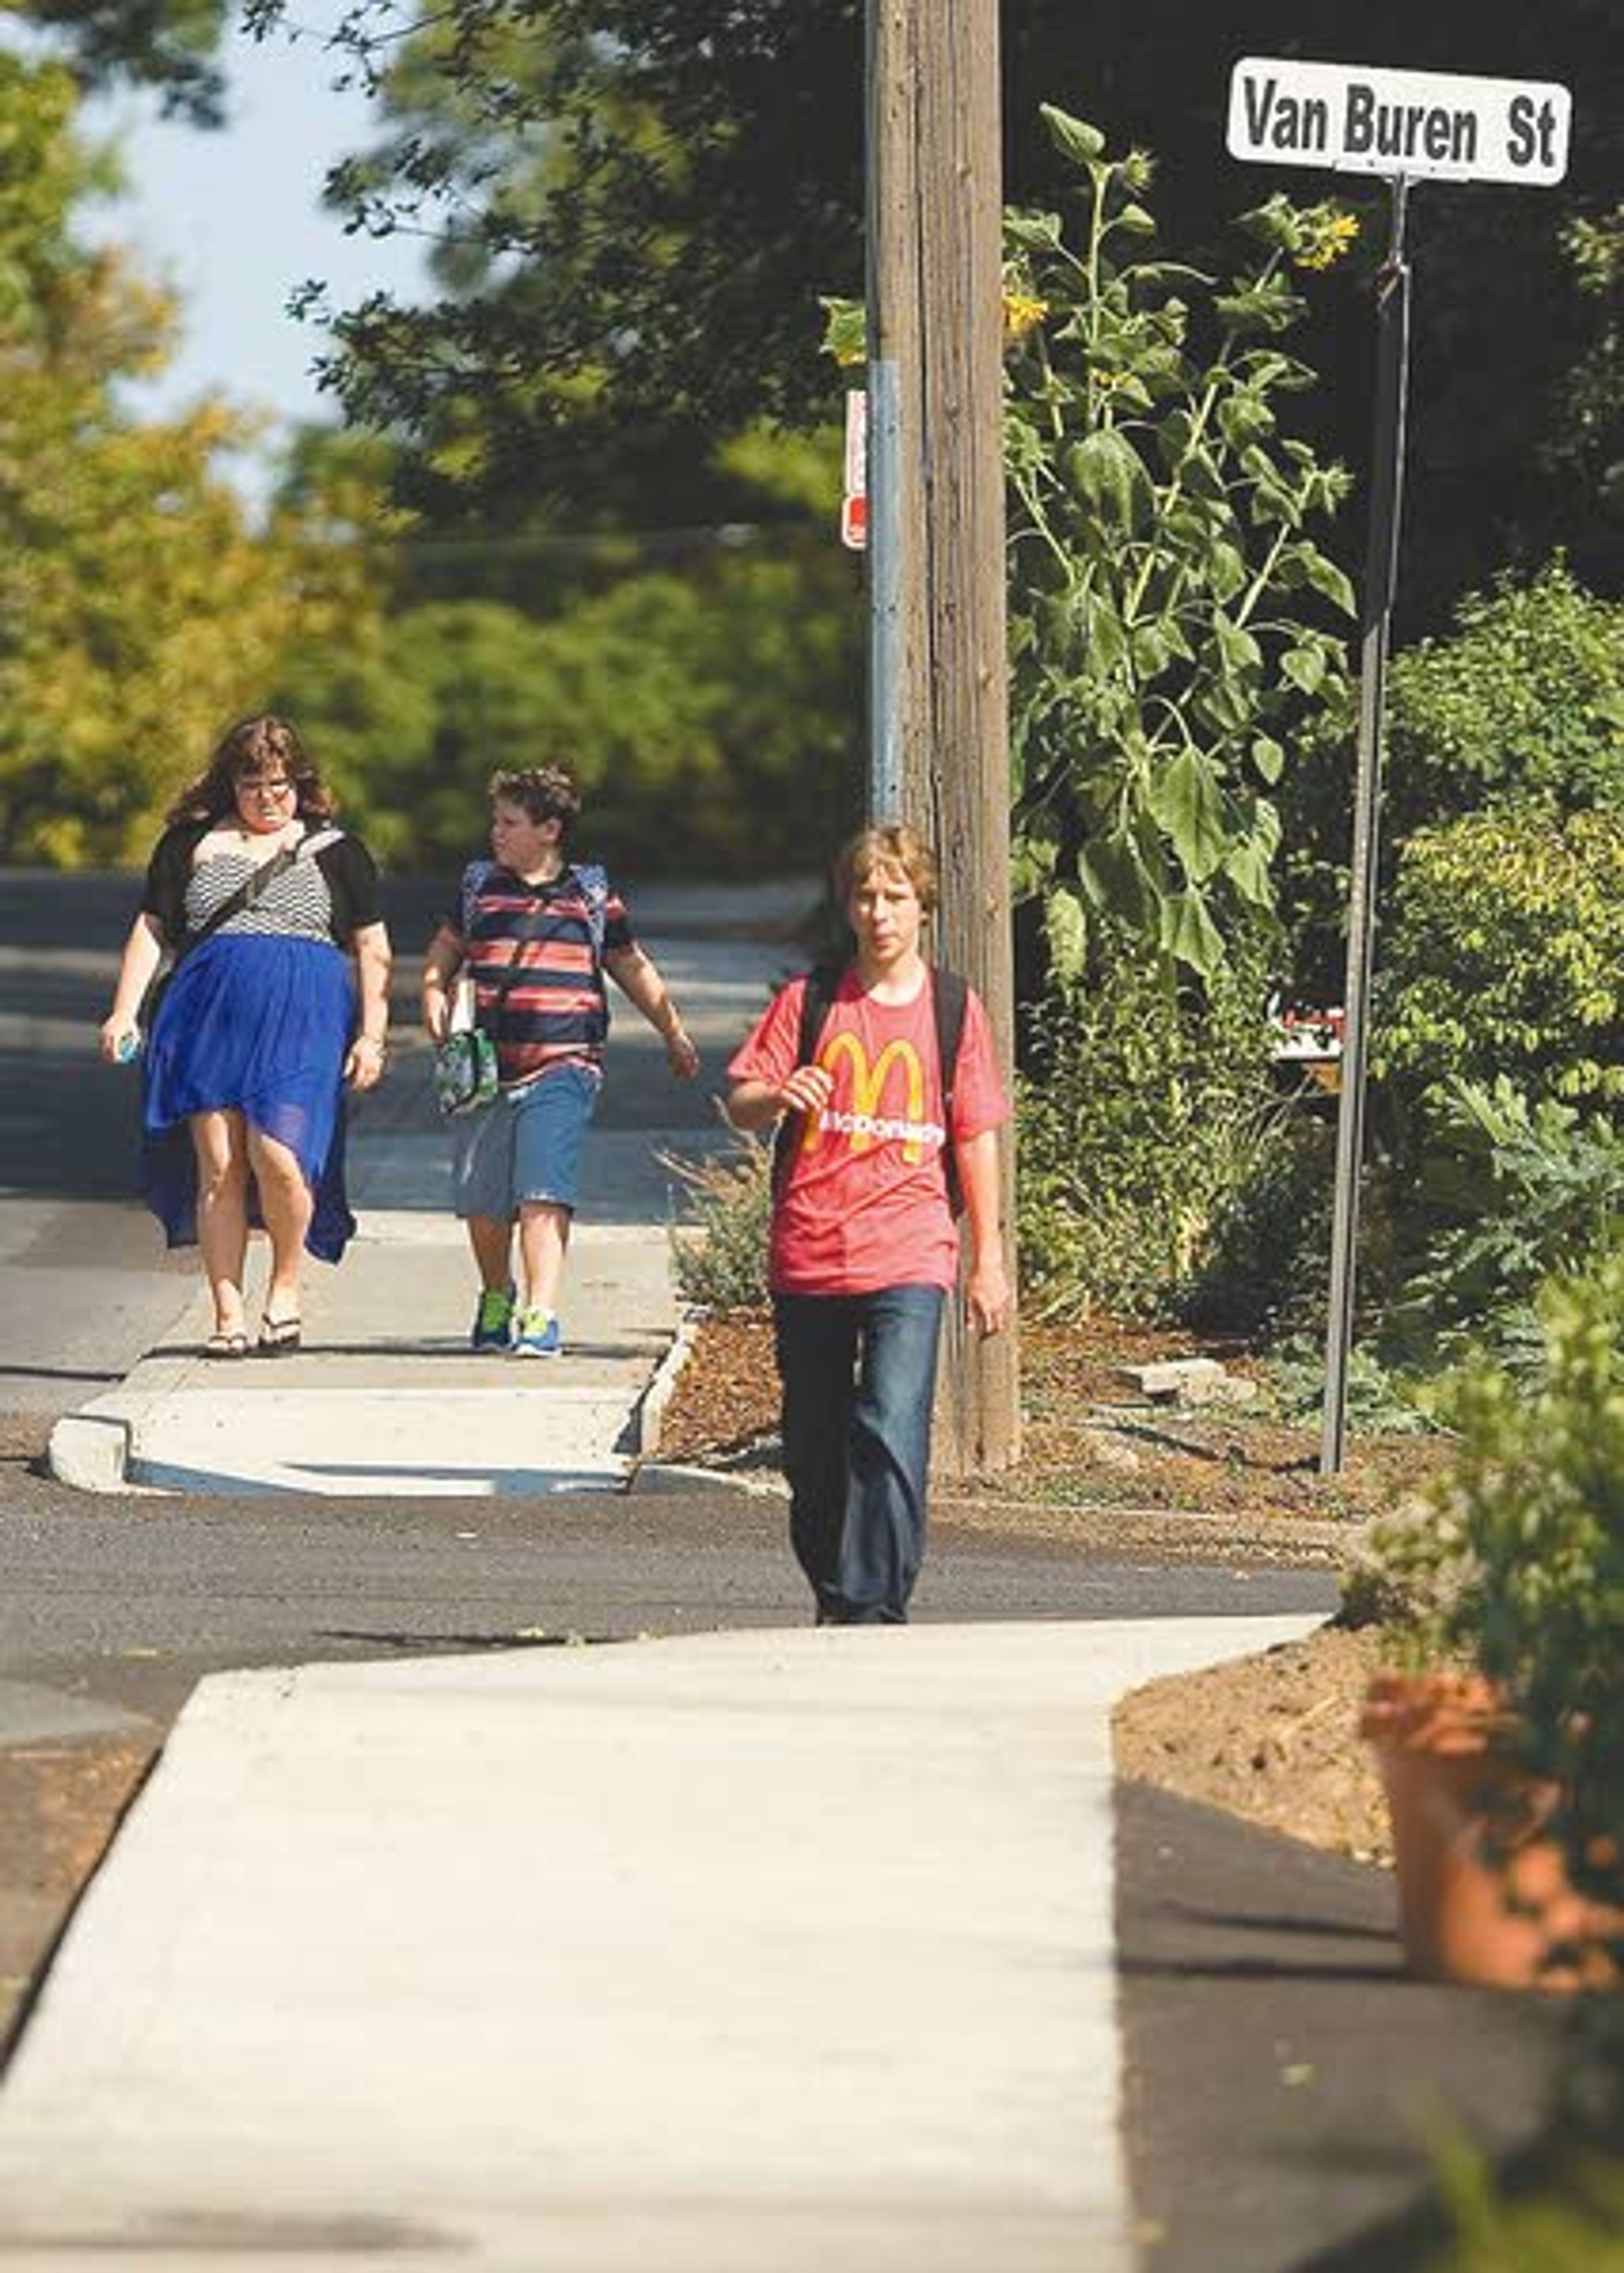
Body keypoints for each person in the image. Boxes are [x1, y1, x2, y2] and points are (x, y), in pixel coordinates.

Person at [726, 822, 1013, 1625]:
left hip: (911, 1252)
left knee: (890, 1424)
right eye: (865, 895)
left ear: (922, 905)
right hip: (811, 1252)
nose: (879, 912)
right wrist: (781, 1094)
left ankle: (872, 1606)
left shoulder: (955, 1009)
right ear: (848, 905)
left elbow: (976, 1133)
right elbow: (741, 1099)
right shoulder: (809, 1001)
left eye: (895, 896)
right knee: (815, 1452)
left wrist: (987, 1258)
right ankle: (836, 1592)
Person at [100, 715, 392, 1359]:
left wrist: (372, 1035)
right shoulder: (189, 845)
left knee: (282, 1159)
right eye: (254, 782)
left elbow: (372, 946)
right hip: (208, 1018)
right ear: (231, 781)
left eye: (281, 784)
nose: (268, 797)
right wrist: (125, 1012)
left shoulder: (336, 849)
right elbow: (153, 929)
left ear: (302, 783)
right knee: (222, 1168)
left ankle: (284, 1288)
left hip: (305, 1019)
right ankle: (227, 1312)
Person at [421, 763, 700, 1357]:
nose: (496, 832)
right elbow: (448, 946)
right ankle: (498, 1293)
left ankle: (541, 1311)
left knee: (541, 1189)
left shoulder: (589, 894)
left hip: (565, 1063)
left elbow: (630, 965)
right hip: (485, 1069)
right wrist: (431, 988)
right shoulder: (479, 887)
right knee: (484, 1201)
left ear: (549, 829)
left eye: (510, 822)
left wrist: (672, 1031)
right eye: (495, 821)